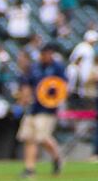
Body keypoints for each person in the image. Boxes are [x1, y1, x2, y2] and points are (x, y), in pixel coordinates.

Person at [19, 43, 70, 177]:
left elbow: (63, 86)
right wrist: (25, 97)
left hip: (48, 108)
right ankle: (29, 169)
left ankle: (57, 157)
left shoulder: (57, 67)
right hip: (33, 107)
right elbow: (27, 84)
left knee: (41, 137)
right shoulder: (35, 67)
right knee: (29, 138)